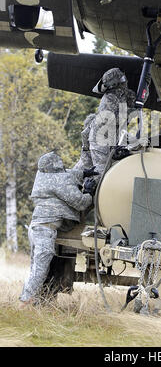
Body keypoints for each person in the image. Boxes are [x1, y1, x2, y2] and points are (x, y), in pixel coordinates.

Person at [19, 151, 96, 307]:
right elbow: (80, 202)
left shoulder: (42, 176)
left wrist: (83, 173)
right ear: (57, 165)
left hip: (37, 227)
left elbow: (67, 174)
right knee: (40, 269)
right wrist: (88, 192)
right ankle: (24, 303)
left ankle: (34, 302)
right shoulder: (60, 180)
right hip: (45, 230)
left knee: (36, 268)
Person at [88, 67, 150, 182]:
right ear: (115, 83)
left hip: (114, 138)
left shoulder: (125, 94)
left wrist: (145, 86)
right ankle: (91, 195)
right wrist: (131, 112)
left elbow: (138, 102)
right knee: (101, 172)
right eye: (121, 78)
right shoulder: (109, 98)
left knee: (112, 169)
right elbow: (111, 119)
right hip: (100, 139)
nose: (124, 80)